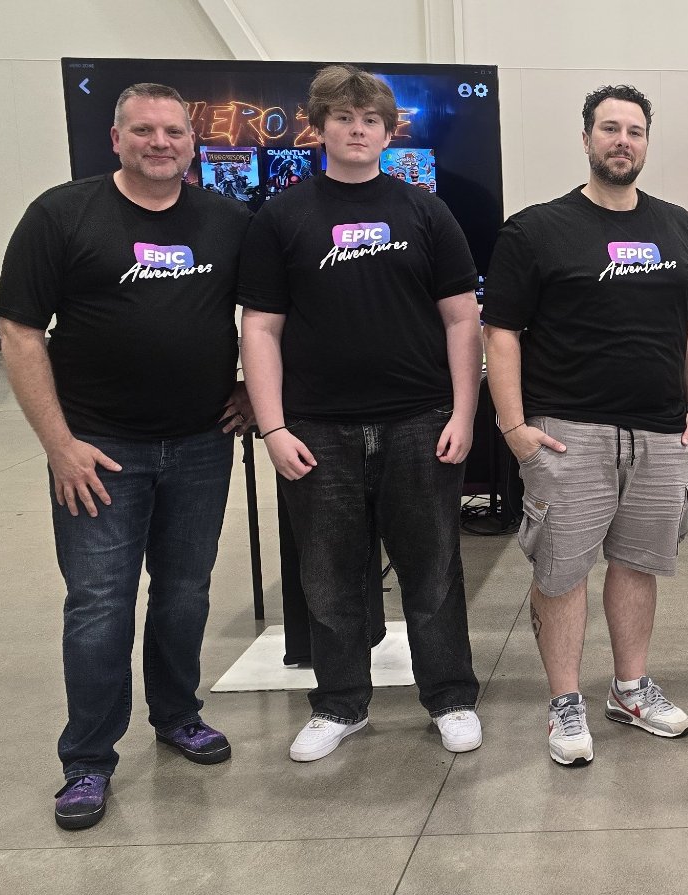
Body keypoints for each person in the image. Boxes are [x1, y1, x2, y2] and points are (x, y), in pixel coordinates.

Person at [0, 83, 252, 831]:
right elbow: (18, 332)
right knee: (100, 604)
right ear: (116, 139)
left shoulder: (227, 221)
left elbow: (266, 317)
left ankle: (177, 715)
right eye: (143, 129)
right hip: (97, 451)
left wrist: (248, 390)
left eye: (173, 130)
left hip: (204, 443)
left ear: (192, 142)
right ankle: (86, 760)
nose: (160, 142)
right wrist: (60, 445)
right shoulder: (61, 214)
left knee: (185, 591)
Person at [237, 64, 484, 763]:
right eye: (342, 118)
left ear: (388, 130)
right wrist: (273, 426)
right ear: (320, 127)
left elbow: (462, 321)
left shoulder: (425, 211)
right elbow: (260, 328)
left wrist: (463, 413)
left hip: (420, 420)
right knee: (327, 575)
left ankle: (451, 696)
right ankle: (340, 702)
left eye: (369, 119)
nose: (356, 129)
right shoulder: (282, 217)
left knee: (432, 572)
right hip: (316, 428)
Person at [482, 84, 688, 767]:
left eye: (635, 131)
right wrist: (515, 426)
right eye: (609, 128)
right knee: (562, 570)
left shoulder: (680, 226)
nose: (622, 141)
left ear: (646, 142)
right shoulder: (535, 229)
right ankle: (564, 701)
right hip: (565, 431)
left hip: (661, 432)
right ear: (586, 139)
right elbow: (502, 334)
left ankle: (630, 690)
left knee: (638, 564)